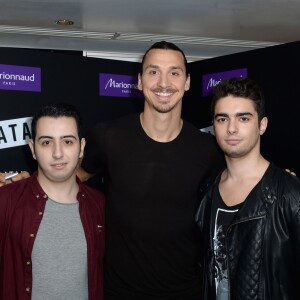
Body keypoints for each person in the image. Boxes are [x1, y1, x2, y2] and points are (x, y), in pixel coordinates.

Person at [77, 41, 224, 300]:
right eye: (153, 72)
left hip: (185, 291)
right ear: (140, 81)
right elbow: (71, 178)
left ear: (187, 82)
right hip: (118, 291)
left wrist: (274, 182)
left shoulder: (208, 149)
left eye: (174, 73)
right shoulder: (109, 136)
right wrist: (27, 184)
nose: (163, 83)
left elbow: (236, 191)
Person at [195, 77, 300, 299]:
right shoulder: (207, 189)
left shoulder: (289, 193)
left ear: (262, 125)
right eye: (222, 119)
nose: (231, 128)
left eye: (243, 118)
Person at [0, 103, 106, 299]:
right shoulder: (5, 202)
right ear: (32, 149)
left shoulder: (100, 206)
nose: (58, 153)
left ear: (81, 147)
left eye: (67, 141)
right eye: (47, 142)